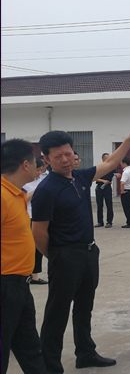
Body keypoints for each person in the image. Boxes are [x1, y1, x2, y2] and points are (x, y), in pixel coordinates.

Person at [31, 121, 130, 373]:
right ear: (46, 159)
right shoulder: (46, 190)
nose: (65, 160)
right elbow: (38, 233)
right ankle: (50, 366)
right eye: (57, 156)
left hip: (89, 252)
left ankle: (85, 353)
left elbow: (111, 163)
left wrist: (129, 139)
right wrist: (57, 255)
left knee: (85, 307)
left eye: (67, 153)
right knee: (57, 313)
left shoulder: (80, 177)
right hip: (65, 255)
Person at [1, 139, 48, 374]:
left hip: (20, 285)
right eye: (35, 162)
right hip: (5, 286)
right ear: (25, 165)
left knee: (31, 350)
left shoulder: (15, 193)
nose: (38, 167)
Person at [23, 157, 48, 285]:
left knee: (38, 247)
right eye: (37, 170)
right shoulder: (24, 183)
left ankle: (35, 275)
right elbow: (23, 199)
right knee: (28, 247)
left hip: (39, 216)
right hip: (28, 216)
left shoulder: (40, 181)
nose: (39, 173)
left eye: (41, 170)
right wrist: (36, 192)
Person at [95, 153, 120, 229]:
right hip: (100, 187)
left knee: (109, 205)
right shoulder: (99, 167)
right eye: (107, 158)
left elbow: (117, 174)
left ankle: (109, 221)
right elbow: (95, 178)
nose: (109, 159)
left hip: (107, 187)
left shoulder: (111, 167)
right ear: (103, 159)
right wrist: (103, 181)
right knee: (99, 205)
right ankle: (100, 221)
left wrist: (117, 175)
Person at [119, 156, 130, 228]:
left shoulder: (125, 172)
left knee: (127, 208)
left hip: (126, 191)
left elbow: (122, 183)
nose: (121, 164)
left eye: (121, 163)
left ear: (124, 163)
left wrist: (122, 191)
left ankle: (129, 223)